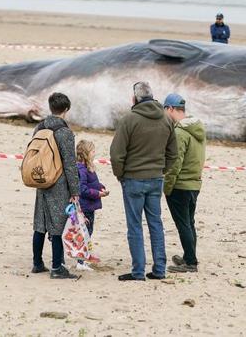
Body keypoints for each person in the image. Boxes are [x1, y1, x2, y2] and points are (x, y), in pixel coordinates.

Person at [109, 81, 178, 281]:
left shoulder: (129, 119)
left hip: (133, 179)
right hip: (156, 178)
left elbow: (116, 154)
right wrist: (161, 170)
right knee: (156, 224)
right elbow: (173, 153)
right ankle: (159, 269)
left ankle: (138, 271)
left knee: (135, 225)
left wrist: (120, 174)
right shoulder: (166, 120)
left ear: (134, 98)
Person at [31, 92, 80, 279]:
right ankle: (57, 267)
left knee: (40, 224)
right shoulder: (65, 132)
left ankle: (37, 263)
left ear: (51, 108)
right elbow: (70, 164)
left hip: (41, 179)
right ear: (66, 110)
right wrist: (75, 191)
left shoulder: (40, 127)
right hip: (58, 183)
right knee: (58, 225)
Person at [162, 94, 206, 273]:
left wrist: (166, 187)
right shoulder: (196, 128)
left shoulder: (180, 132)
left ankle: (191, 263)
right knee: (189, 222)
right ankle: (189, 256)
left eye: (165, 110)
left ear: (171, 109)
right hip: (194, 183)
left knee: (183, 225)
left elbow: (174, 163)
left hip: (180, 185)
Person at [75, 139, 109, 271]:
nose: (95, 153)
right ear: (86, 153)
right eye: (93, 151)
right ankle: (80, 262)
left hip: (90, 206)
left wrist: (101, 188)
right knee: (85, 233)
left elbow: (92, 183)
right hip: (84, 207)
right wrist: (97, 194)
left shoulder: (89, 168)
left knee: (89, 232)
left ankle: (84, 258)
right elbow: (82, 189)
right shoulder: (81, 169)